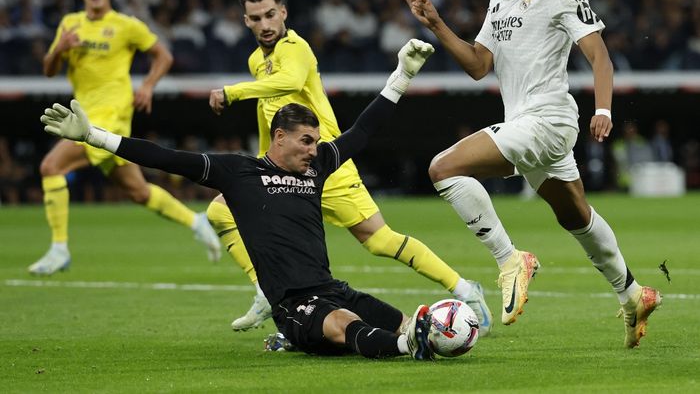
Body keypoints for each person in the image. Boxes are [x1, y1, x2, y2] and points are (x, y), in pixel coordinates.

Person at [41, 39, 441, 360]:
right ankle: (409, 348)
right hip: (292, 305)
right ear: (278, 136)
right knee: (344, 325)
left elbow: (361, 132)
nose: (313, 149)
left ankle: (423, 337)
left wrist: (401, 75)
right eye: (306, 141)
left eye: (316, 142)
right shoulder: (239, 173)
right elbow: (165, 157)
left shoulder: (316, 167)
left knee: (401, 320)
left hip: (333, 288)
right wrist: (94, 137)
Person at [402, 0, 661, 348]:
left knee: (443, 168)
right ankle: (632, 293)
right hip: (527, 123)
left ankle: (511, 260)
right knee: (575, 215)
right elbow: (478, 65)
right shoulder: (498, 2)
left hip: (548, 120)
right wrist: (436, 24)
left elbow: (600, 56)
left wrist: (602, 108)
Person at [207, 0, 492, 335]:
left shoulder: (296, 48)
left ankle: (465, 289)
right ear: (246, 21)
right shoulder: (255, 61)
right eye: (255, 18)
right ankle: (267, 290)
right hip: (286, 169)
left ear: (283, 13)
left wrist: (232, 92)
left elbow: (288, 81)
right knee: (221, 210)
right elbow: (270, 115)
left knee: (378, 240)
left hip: (325, 164)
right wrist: (262, 162)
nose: (265, 24)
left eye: (270, 15)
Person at [29, 0, 220, 275]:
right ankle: (194, 220)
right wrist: (60, 48)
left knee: (51, 166)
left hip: (110, 117)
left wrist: (147, 85)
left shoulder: (126, 25)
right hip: (84, 113)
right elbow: (49, 71)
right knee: (138, 191)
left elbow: (164, 55)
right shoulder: (70, 24)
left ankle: (59, 248)